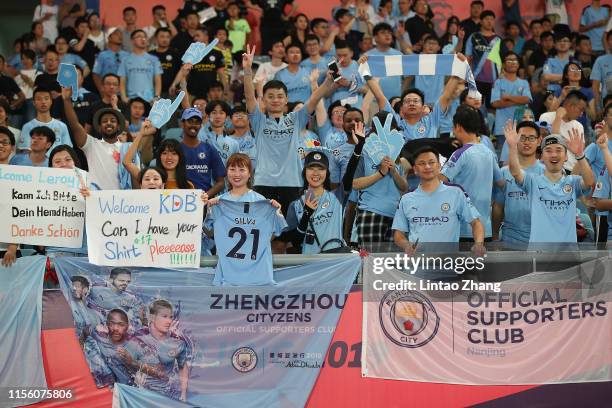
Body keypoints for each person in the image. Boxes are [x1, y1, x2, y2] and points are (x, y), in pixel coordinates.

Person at [203, 153, 287, 285]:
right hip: (228, 273)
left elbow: (271, 235)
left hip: (258, 273)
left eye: (242, 169)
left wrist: (276, 211)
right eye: (232, 169)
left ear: (249, 174)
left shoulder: (262, 202)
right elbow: (210, 233)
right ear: (226, 172)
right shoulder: (219, 203)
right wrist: (205, 208)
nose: (237, 174)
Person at [506, 125, 595, 246]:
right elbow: (515, 172)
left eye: (558, 150)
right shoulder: (533, 181)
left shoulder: (573, 182)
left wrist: (580, 155)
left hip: (569, 254)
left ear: (566, 157)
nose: (554, 154)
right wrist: (512, 147)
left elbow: (589, 182)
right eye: (548, 150)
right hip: (539, 254)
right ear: (542, 157)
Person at [393, 145, 485, 257]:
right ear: (415, 170)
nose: (427, 166)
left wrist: (479, 244)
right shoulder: (406, 198)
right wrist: (407, 245)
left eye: (431, 162)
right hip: (417, 267)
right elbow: (398, 234)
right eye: (422, 163)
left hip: (448, 265)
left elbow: (476, 222)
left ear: (439, 166)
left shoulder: (456, 192)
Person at [440, 105, 504, 241]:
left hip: (462, 228)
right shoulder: (489, 152)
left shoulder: (460, 153)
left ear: (457, 127)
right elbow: (501, 182)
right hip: (484, 229)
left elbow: (440, 181)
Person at [352, 112, 409, 245]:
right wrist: (380, 173)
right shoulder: (363, 151)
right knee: (371, 262)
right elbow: (354, 184)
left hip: (395, 215)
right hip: (371, 211)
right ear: (373, 130)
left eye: (391, 129)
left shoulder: (398, 153)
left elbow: (404, 188)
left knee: (392, 264)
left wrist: (394, 171)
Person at [124, 300, 191, 401]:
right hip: (140, 396)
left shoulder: (178, 343)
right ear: (152, 317)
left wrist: (183, 393)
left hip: (165, 396)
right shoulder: (138, 339)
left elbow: (183, 367)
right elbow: (124, 365)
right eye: (164, 316)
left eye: (171, 317)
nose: (169, 321)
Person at [63, 86, 127, 190]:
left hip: (120, 203)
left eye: (113, 120)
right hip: (96, 200)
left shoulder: (126, 148)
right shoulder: (91, 144)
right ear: (99, 127)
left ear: (119, 126)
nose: (109, 123)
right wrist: (66, 100)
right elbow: (75, 125)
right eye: (104, 121)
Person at [492, 121, 544, 244]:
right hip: (510, 239)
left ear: (539, 140)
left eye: (531, 138)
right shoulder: (503, 172)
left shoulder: (546, 172)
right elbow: (498, 206)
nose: (526, 142)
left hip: (541, 240)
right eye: (522, 138)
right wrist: (494, 237)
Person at [286, 151, 345, 254]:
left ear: (327, 173)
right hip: (310, 265)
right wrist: (306, 214)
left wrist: (358, 148)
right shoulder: (295, 205)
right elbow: (295, 242)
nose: (316, 173)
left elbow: (349, 175)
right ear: (304, 172)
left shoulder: (337, 197)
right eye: (311, 168)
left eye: (321, 169)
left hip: (335, 262)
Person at [179, 108, 226, 195]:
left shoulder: (209, 149)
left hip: (203, 202)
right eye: (190, 121)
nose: (193, 125)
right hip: (179, 200)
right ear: (182, 124)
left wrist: (205, 197)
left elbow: (221, 182)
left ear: (201, 126)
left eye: (197, 122)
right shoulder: (176, 149)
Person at [491, 51, 532, 151]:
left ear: (518, 64)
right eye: (509, 60)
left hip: (521, 126)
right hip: (503, 128)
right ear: (504, 64)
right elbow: (495, 103)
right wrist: (519, 100)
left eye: (515, 60)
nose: (513, 62)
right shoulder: (498, 82)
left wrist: (508, 97)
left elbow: (527, 99)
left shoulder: (524, 82)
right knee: (503, 159)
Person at [539, 92, 587, 172]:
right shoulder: (546, 117)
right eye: (580, 109)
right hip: (551, 168)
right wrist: (558, 118)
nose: (581, 114)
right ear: (570, 106)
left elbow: (580, 154)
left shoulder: (579, 126)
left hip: (572, 172)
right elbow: (552, 141)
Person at [465, 10, 500, 108]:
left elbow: (503, 61)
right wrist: (468, 78)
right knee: (474, 107)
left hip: (494, 81)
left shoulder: (498, 40)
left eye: (492, 19)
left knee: (492, 109)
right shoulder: (473, 37)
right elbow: (468, 58)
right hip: (476, 80)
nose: (489, 22)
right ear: (481, 21)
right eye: (487, 19)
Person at [18, 87, 71, 152]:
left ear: (51, 101)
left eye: (46, 98)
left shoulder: (62, 126)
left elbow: (67, 150)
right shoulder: (27, 127)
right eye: (39, 99)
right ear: (33, 103)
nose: (43, 102)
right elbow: (25, 152)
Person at [118, 30, 162, 104]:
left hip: (149, 100)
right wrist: (124, 97)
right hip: (131, 99)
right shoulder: (125, 60)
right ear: (132, 41)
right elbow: (122, 81)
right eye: (139, 36)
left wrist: (156, 97)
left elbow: (158, 80)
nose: (143, 39)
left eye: (144, 37)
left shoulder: (154, 59)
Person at [365, 23, 403, 101]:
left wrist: (402, 92)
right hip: (374, 101)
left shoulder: (398, 55)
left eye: (389, 33)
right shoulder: (367, 56)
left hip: (396, 100)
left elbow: (408, 77)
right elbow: (362, 80)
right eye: (383, 33)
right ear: (375, 38)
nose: (387, 35)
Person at [200, 100, 240, 165]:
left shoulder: (234, 143)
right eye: (214, 113)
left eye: (221, 113)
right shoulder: (200, 135)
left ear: (226, 117)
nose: (218, 116)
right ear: (208, 116)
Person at [92, 28, 129, 95]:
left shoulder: (127, 55)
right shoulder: (102, 55)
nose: (120, 36)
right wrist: (101, 91)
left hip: (124, 93)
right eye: (116, 34)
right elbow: (95, 74)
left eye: (121, 34)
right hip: (108, 93)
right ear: (109, 38)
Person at [150, 28, 181, 97]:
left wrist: (175, 85)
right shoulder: (150, 55)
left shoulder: (176, 54)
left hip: (172, 92)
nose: (165, 39)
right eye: (162, 36)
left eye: (167, 37)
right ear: (156, 39)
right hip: (153, 92)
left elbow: (182, 72)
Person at [591, 31, 612, 116]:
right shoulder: (600, 60)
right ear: (607, 42)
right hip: (607, 104)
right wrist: (598, 107)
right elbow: (595, 86)